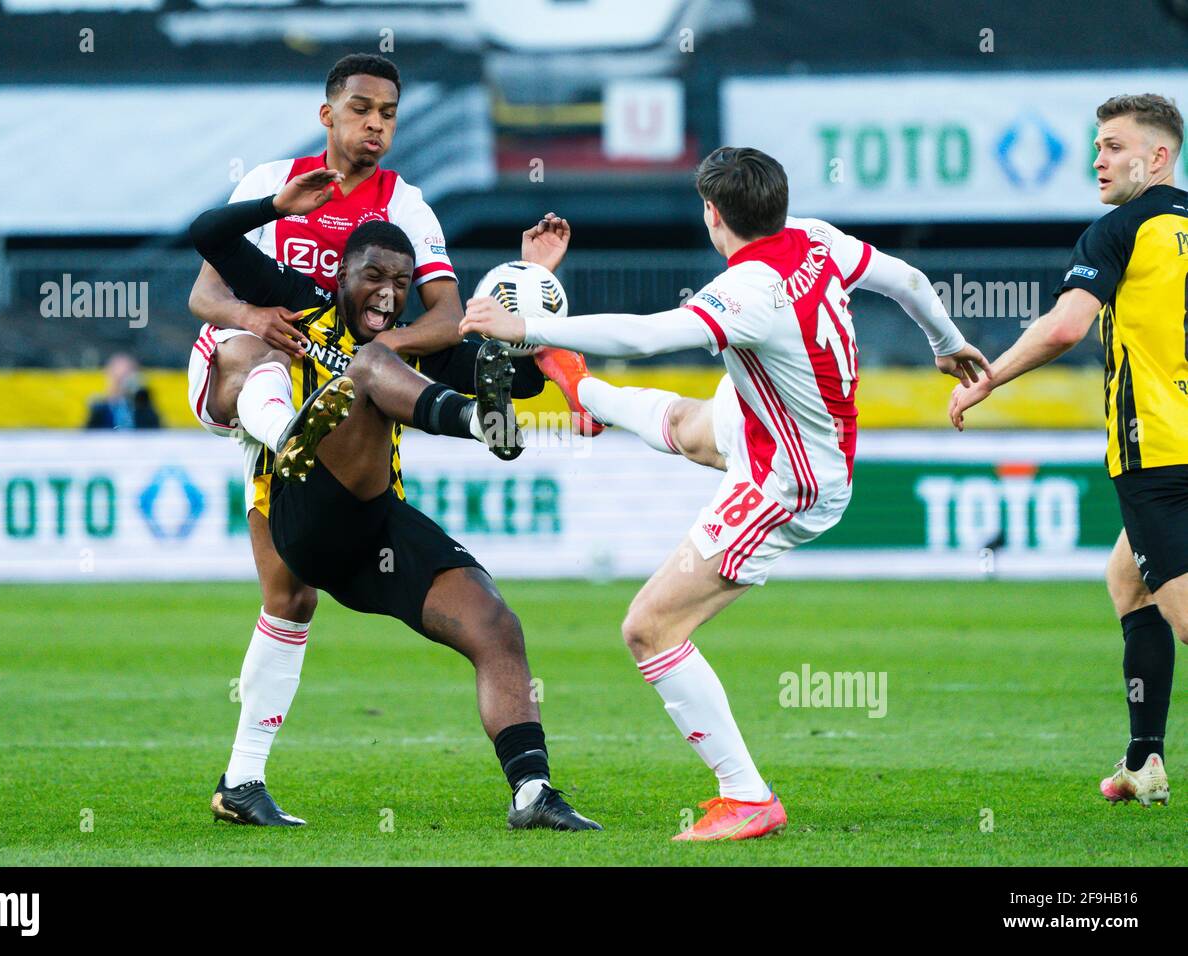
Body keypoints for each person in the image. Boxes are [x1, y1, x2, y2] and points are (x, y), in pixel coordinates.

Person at [463, 146, 988, 841]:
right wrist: (946, 342)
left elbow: (647, 335)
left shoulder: (748, 293)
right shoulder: (817, 239)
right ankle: (581, 391)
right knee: (682, 423)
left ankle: (747, 796)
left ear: (713, 213)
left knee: (649, 627)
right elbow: (911, 279)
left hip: (788, 481)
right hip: (776, 424)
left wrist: (525, 325)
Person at [188, 167, 600, 832]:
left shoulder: (415, 343)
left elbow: (519, 380)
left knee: (495, 623)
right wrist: (274, 204)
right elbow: (207, 235)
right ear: (341, 274)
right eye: (372, 276)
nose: (387, 293)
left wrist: (531, 295)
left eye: (401, 283)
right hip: (301, 504)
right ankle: (471, 425)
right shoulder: (299, 300)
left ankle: (532, 791)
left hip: (372, 529)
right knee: (374, 365)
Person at [949, 93, 1188, 807]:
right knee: (1128, 581)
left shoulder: (1119, 228)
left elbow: (1064, 328)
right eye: (1098, 146)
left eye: (1115, 146)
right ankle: (1143, 759)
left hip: (1159, 450)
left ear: (1159, 157)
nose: (1099, 158)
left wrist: (986, 378)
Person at [85, 353, 161, 430]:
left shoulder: (144, 409)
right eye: (117, 377)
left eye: (126, 376)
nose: (122, 383)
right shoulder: (100, 410)